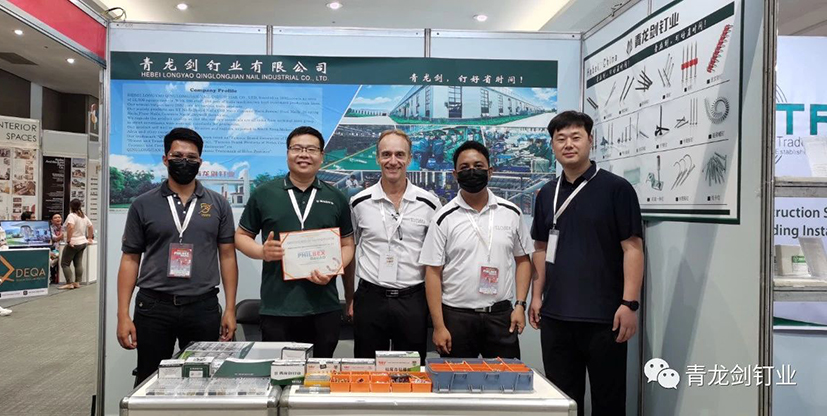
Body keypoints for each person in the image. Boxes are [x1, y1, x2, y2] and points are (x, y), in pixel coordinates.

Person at [529, 111, 643, 416]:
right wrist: (536, 296)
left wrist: (629, 304)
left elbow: (633, 248)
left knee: (609, 402)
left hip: (605, 318)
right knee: (562, 404)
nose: (568, 144)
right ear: (552, 145)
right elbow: (540, 248)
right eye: (560, 139)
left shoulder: (617, 189)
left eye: (576, 137)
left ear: (590, 140)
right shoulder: (546, 194)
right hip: (556, 317)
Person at [116, 127, 239, 386]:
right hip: (153, 308)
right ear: (165, 159)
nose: (185, 161)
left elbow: (227, 256)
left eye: (191, 157)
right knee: (150, 380)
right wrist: (122, 314)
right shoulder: (142, 204)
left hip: (203, 307)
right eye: (178, 156)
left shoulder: (218, 204)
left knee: (202, 382)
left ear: (200, 162)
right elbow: (130, 259)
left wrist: (229, 308)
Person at [235, 126, 355, 358]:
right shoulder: (264, 193)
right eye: (297, 148)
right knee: (280, 373)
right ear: (288, 153)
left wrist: (333, 268)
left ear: (322, 156)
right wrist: (261, 252)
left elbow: (348, 244)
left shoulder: (336, 197)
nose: (303, 154)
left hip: (324, 308)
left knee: (319, 374)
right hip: (278, 308)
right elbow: (240, 237)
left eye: (311, 149)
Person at [419, 140, 533, 359]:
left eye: (478, 166)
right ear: (455, 174)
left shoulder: (511, 212)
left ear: (490, 171)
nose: (472, 171)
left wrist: (520, 305)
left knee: (505, 378)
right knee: (456, 380)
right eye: (465, 167)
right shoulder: (443, 218)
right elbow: (432, 272)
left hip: (500, 316)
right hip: (457, 317)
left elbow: (523, 260)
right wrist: (439, 326)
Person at [345, 129, 441, 361]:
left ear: (410, 159)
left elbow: (437, 259)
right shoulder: (358, 202)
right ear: (378, 158)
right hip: (370, 297)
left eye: (400, 154)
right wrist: (350, 297)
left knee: (410, 370)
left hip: (413, 298)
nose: (393, 161)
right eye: (386, 154)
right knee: (366, 367)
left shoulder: (429, 203)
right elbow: (350, 248)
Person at [58, 200, 93, 290]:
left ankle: (69, 283)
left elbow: (70, 227)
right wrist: (89, 238)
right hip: (82, 242)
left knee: (65, 264)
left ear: (71, 206)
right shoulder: (83, 216)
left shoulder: (71, 216)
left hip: (74, 242)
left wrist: (69, 240)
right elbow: (90, 226)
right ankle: (77, 282)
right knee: (78, 263)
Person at [49, 213, 64, 284]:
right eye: (55, 218)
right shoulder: (49, 228)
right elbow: (55, 238)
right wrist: (64, 234)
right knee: (52, 260)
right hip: (53, 249)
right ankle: (53, 277)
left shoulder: (64, 228)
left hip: (63, 248)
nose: (58, 219)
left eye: (59, 217)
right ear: (52, 221)